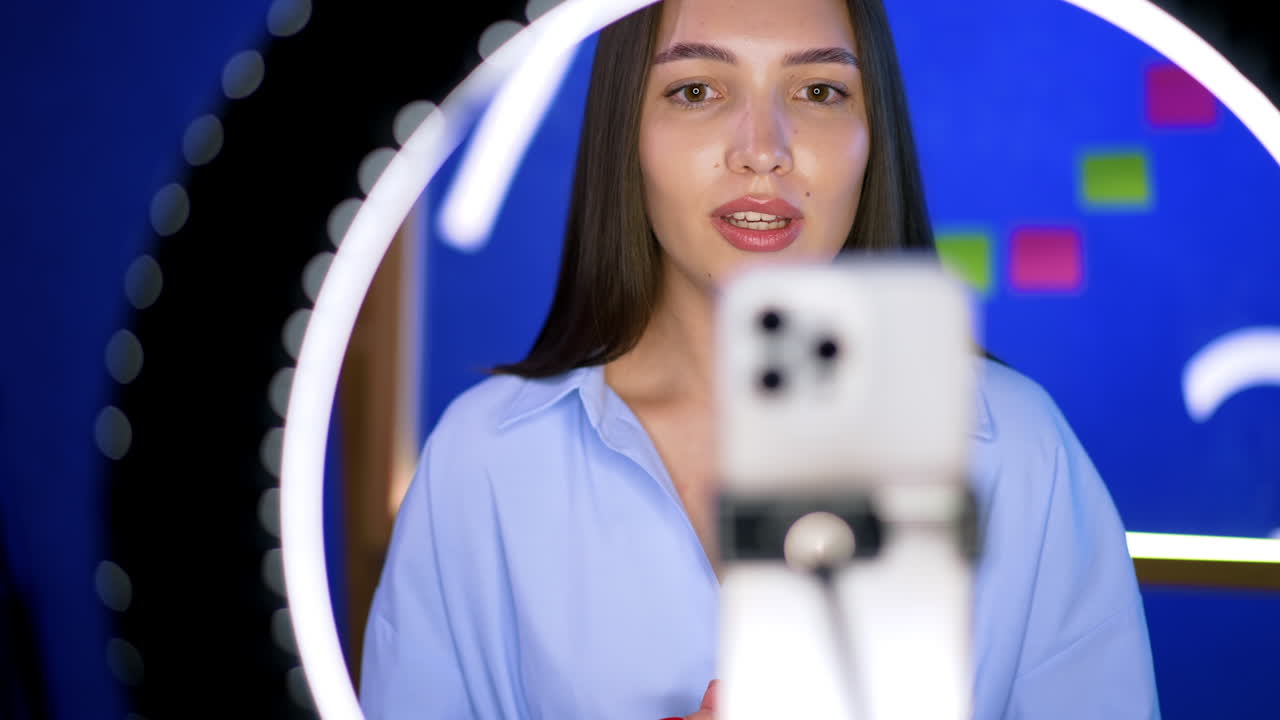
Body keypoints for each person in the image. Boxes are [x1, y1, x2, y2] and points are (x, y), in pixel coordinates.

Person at [359, 0, 1160, 718]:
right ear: (623, 136)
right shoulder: (483, 463)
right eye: (696, 90)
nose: (763, 150)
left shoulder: (1021, 453)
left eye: (818, 92)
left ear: (872, 134)